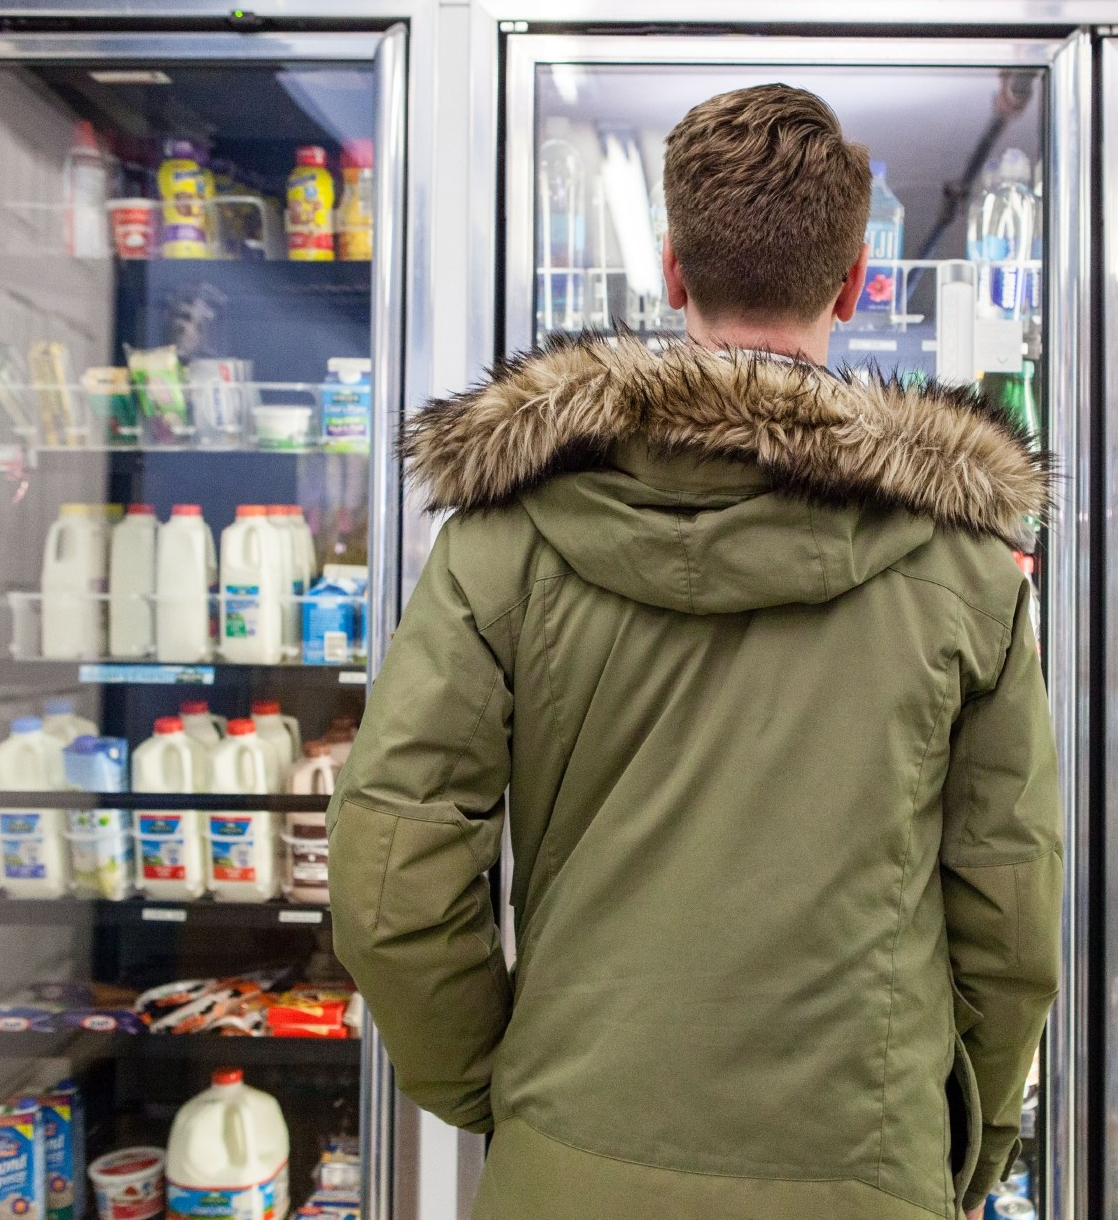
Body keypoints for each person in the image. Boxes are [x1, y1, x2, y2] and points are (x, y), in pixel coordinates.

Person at [330, 83, 1061, 1220]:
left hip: (568, 1162)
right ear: (857, 284)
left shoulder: (504, 538)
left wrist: (495, 1088)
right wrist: (964, 1135)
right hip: (862, 1162)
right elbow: (1009, 908)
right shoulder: (967, 568)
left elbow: (391, 870)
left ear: (671, 272)